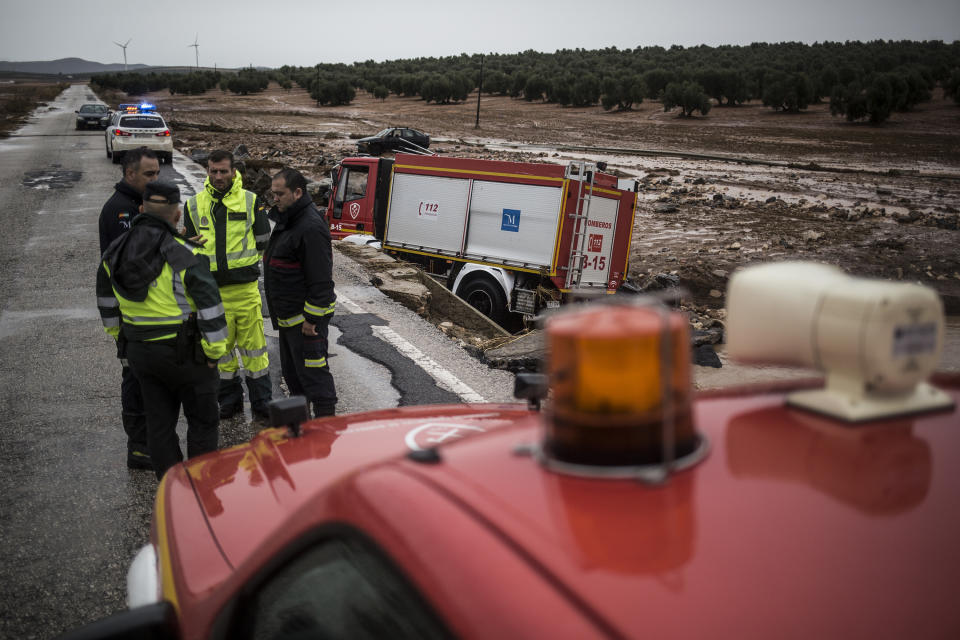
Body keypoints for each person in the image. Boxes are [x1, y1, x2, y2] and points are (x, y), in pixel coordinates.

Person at [96, 181, 229, 480]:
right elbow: (211, 308)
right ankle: (202, 487)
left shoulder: (115, 251)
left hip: (142, 354)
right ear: (177, 214)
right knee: (203, 422)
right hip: (188, 355)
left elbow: (106, 304)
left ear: (141, 210)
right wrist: (214, 353)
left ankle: (172, 491)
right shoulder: (184, 253)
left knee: (158, 424)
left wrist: (123, 342)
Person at [183, 150, 273, 420]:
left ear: (234, 172)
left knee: (254, 351)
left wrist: (243, 267)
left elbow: (263, 240)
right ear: (207, 171)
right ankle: (229, 401)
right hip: (211, 294)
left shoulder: (251, 201)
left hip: (244, 292)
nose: (218, 176)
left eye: (223, 171)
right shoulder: (193, 205)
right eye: (213, 170)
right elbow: (189, 250)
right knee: (221, 353)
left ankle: (262, 403)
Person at [97, 147, 160, 469]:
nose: (155, 179)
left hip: (144, 317)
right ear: (130, 174)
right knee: (135, 382)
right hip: (130, 319)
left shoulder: (137, 206)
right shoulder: (120, 211)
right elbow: (131, 265)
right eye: (149, 174)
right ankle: (138, 448)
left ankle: (148, 441)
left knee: (147, 381)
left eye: (157, 173)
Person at [264, 168, 338, 417]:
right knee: (295, 379)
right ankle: (303, 434)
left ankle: (326, 434)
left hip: (305, 324)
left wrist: (312, 319)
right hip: (288, 321)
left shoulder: (309, 227)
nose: (275, 199)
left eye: (279, 194)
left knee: (315, 379)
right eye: (273, 194)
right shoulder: (288, 219)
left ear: (297, 192)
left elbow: (321, 281)